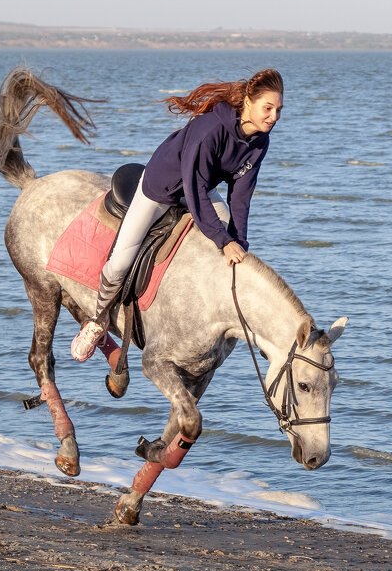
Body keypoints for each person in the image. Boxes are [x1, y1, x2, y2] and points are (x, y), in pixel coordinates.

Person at [70, 68, 283, 361]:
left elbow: (241, 196)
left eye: (278, 110)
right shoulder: (210, 129)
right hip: (162, 187)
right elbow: (193, 189)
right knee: (120, 262)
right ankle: (97, 321)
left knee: (234, 250)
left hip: (201, 188)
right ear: (248, 102)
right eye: (267, 108)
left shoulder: (260, 141)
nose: (274, 117)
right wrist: (222, 239)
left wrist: (238, 241)